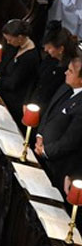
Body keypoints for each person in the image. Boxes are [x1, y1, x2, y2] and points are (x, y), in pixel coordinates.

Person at [35, 50, 82, 189]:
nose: (66, 73)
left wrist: (45, 151)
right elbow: (49, 111)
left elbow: (70, 140)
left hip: (55, 164)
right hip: (39, 146)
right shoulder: (65, 87)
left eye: (71, 71)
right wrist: (39, 135)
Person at [0, 19, 41, 121]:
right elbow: (4, 62)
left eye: (10, 40)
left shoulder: (31, 57)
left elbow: (14, 82)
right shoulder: (15, 46)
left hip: (13, 98)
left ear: (20, 38)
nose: (8, 42)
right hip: (3, 87)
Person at [29, 22, 78, 108]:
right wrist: (27, 101)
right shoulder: (50, 58)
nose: (45, 50)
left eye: (49, 47)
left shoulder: (69, 69)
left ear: (61, 49)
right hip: (34, 101)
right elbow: (36, 79)